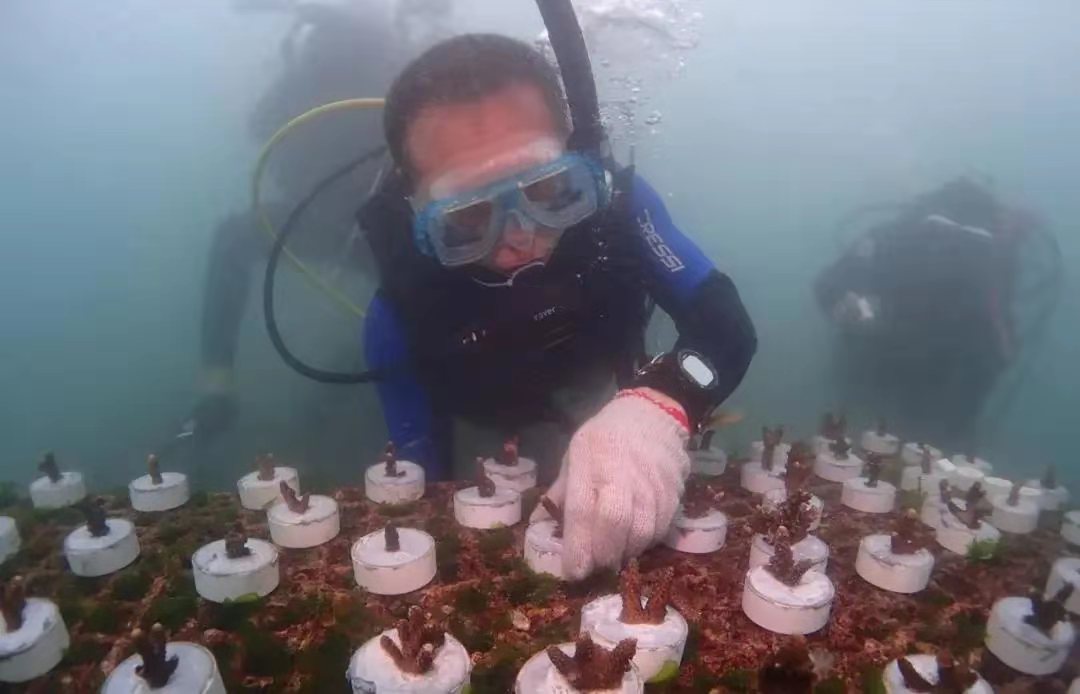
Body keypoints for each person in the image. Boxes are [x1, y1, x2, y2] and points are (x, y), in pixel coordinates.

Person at [359, 33, 756, 579]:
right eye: (469, 218)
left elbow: (724, 323)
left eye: (548, 191)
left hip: (608, 399)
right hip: (485, 435)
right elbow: (421, 469)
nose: (519, 237)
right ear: (418, 217)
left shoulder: (619, 213)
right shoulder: (400, 313)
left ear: (579, 159)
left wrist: (662, 402)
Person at [187, 2, 414, 444]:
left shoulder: (390, 63)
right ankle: (218, 384)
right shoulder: (310, 73)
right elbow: (261, 125)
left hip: (387, 228)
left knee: (417, 310)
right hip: (327, 223)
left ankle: (398, 365)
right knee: (234, 238)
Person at [814, 177, 1056, 452]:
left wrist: (847, 307)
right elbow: (1001, 349)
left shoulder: (893, 236)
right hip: (930, 397)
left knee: (847, 450)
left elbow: (830, 285)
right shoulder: (992, 259)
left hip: (889, 380)